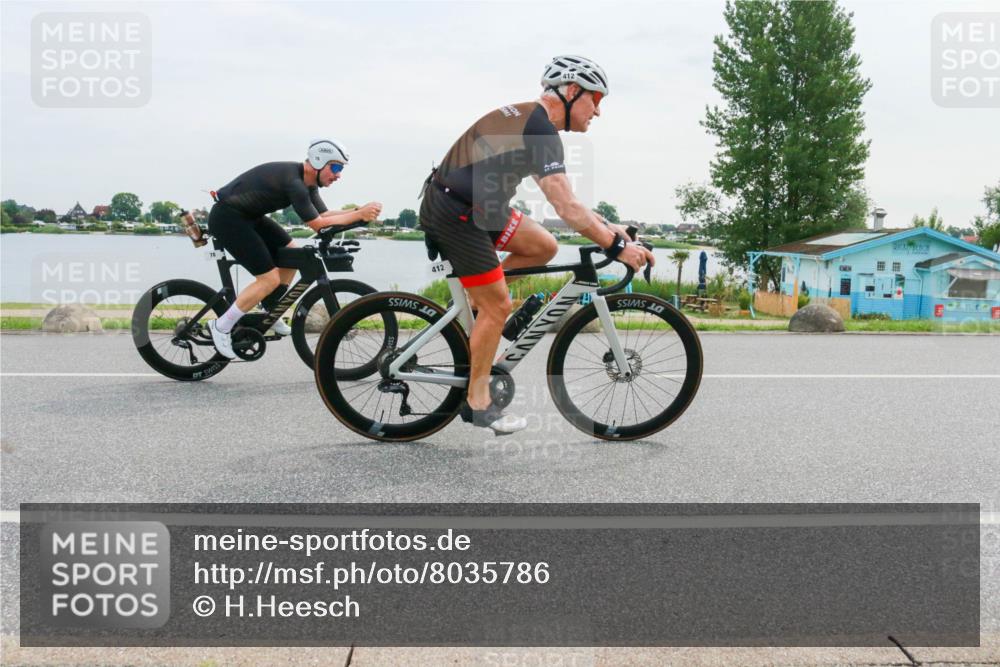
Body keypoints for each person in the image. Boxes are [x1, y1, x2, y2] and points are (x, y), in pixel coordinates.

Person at [419, 55, 654, 434]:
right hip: (458, 209)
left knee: (543, 245)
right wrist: (615, 248)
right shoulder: (539, 128)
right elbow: (566, 206)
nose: (598, 111)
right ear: (572, 91)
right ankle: (478, 402)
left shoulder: (534, 122)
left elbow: (569, 203)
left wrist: (611, 227)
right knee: (499, 306)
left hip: (481, 206)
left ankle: (473, 302)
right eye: (596, 99)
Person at [206, 139, 382, 358]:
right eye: (335, 168)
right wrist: (358, 214)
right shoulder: (294, 183)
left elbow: (324, 216)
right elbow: (317, 225)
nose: (338, 175)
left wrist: (359, 210)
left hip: (250, 217)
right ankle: (221, 326)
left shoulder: (308, 183)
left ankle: (271, 308)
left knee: (293, 254)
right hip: (228, 218)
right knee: (268, 279)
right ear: (319, 162)